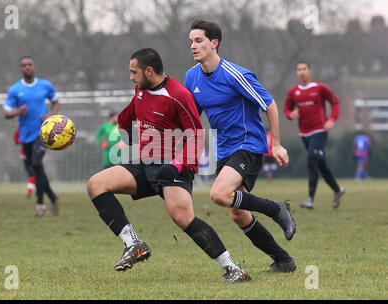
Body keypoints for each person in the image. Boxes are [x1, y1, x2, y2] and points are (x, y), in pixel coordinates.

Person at [87, 48, 251, 283]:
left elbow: (197, 137)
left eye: (134, 73)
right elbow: (127, 117)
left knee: (183, 218)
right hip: (144, 164)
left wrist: (176, 166)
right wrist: (131, 142)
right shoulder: (141, 90)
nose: (132, 77)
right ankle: (134, 243)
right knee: (96, 185)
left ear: (149, 71)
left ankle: (233, 269)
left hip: (172, 168)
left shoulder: (178, 95)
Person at [185, 19, 296, 273]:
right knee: (238, 213)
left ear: (214, 43)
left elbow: (269, 104)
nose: (193, 46)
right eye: (191, 41)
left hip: (249, 145)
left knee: (218, 194)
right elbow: (191, 116)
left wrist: (276, 144)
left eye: (198, 40)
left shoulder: (236, 74)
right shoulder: (192, 77)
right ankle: (283, 260)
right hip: (223, 149)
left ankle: (276, 208)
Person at [284, 62, 345, 209]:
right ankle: (338, 190)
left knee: (312, 159)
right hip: (304, 133)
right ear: (297, 72)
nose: (302, 72)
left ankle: (310, 199)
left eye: (304, 69)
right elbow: (287, 109)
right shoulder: (294, 92)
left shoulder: (320, 88)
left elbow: (335, 102)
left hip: (319, 131)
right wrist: (290, 114)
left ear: (310, 71)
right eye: (299, 69)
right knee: (321, 164)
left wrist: (332, 119)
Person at [4, 56, 59, 217]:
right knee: (36, 169)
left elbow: (55, 101)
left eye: (29, 64)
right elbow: (7, 113)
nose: (27, 67)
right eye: (24, 65)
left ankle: (40, 203)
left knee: (36, 164)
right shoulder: (15, 89)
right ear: (21, 69)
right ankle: (53, 197)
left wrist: (51, 114)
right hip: (25, 136)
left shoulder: (45, 85)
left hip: (42, 133)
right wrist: (17, 112)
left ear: (34, 67)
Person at [13, 126, 35, 198]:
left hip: (35, 154)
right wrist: (21, 140)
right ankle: (30, 192)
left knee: (37, 173)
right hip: (25, 155)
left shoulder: (35, 125)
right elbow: (16, 140)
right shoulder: (20, 128)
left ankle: (33, 191)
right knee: (31, 174)